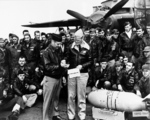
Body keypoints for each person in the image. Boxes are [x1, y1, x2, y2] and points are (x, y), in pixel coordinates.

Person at [41, 33, 69, 120]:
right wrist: (60, 66)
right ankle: (45, 118)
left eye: (60, 44)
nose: (59, 45)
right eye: (58, 44)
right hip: (50, 78)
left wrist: (63, 72)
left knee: (56, 98)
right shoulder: (45, 52)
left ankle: (55, 115)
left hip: (58, 77)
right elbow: (47, 67)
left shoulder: (58, 49)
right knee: (47, 100)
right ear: (52, 41)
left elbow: (60, 60)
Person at [66, 29, 91, 120]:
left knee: (81, 96)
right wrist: (65, 62)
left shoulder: (87, 47)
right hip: (72, 72)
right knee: (71, 95)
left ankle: (81, 114)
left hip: (83, 74)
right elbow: (67, 57)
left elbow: (91, 61)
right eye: (74, 39)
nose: (76, 41)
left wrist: (82, 66)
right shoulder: (70, 46)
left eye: (78, 39)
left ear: (82, 38)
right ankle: (71, 113)